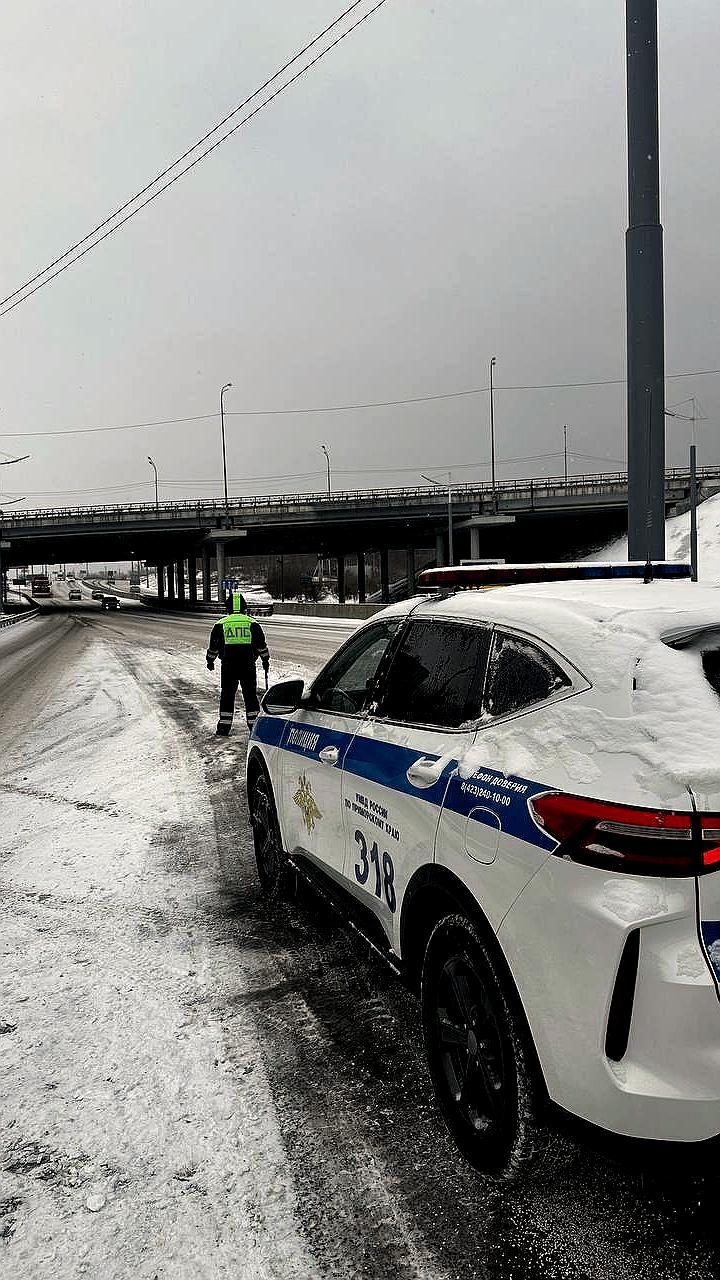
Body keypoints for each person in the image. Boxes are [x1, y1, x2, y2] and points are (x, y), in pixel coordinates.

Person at [206, 592, 270, 735]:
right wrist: (265, 660)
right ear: (244, 608)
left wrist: (210, 661)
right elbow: (261, 646)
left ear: (228, 608)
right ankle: (254, 728)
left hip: (228, 667)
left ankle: (224, 727)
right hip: (248, 665)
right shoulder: (252, 623)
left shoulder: (220, 624)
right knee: (250, 696)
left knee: (227, 695)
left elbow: (214, 647)